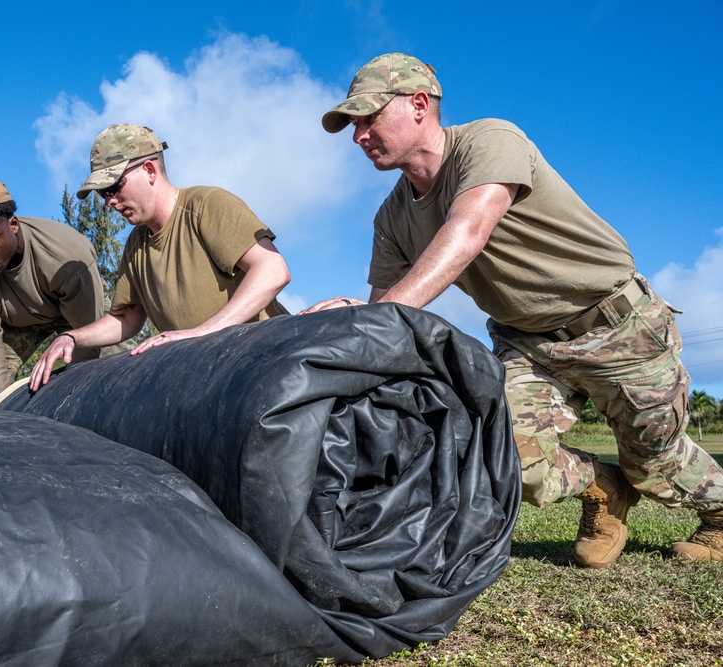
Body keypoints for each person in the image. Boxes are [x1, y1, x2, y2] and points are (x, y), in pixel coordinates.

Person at [304, 52, 723, 565]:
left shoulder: (490, 140)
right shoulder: (392, 218)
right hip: (527, 343)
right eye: (353, 125)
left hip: (618, 325)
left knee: (655, 465)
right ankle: (603, 488)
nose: (358, 135)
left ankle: (719, 517)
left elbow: (468, 230)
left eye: (368, 118)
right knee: (503, 452)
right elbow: (390, 314)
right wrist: (348, 321)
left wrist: (382, 309)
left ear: (418, 104)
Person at [29, 123, 290, 391]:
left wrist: (201, 333)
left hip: (270, 368)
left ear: (150, 170)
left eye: (113, 187)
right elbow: (127, 319)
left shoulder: (207, 205)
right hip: (210, 382)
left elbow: (272, 270)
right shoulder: (135, 244)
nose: (108, 201)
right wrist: (72, 337)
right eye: (102, 193)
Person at [0, 175, 110, 405]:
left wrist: (76, 397)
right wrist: (1, 407)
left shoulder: (66, 256)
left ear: (13, 225)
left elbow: (87, 337)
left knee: (110, 381)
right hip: (13, 321)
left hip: (83, 317)